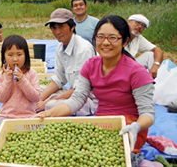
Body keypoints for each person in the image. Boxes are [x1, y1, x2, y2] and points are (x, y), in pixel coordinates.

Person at [35, 15, 155, 157]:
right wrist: (48, 113)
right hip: (100, 124)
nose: (105, 43)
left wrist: (136, 127)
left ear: (125, 41)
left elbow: (148, 113)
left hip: (128, 127)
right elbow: (77, 100)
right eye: (101, 37)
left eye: (112, 37)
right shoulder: (91, 65)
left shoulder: (137, 72)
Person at [35, 8, 97, 116]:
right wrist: (39, 99)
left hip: (86, 98)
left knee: (51, 106)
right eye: (54, 28)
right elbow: (59, 80)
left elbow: (80, 91)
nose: (57, 32)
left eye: (61, 27)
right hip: (72, 91)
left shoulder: (84, 49)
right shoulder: (60, 48)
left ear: (72, 27)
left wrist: (46, 103)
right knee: (36, 91)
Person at [0, 35, 41, 136]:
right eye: (10, 55)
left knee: (35, 137)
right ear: (4, 57)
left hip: (28, 116)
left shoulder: (31, 74)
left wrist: (22, 80)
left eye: (19, 54)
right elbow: (1, 98)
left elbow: (35, 97)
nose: (15, 59)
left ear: (26, 56)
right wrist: (7, 79)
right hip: (6, 117)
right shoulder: (1, 76)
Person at [125, 14, 163, 79]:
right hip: (112, 69)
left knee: (151, 55)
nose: (139, 26)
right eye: (137, 22)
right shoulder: (118, 33)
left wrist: (156, 65)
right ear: (129, 22)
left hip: (128, 68)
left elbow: (158, 50)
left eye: (143, 25)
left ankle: (151, 83)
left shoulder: (138, 38)